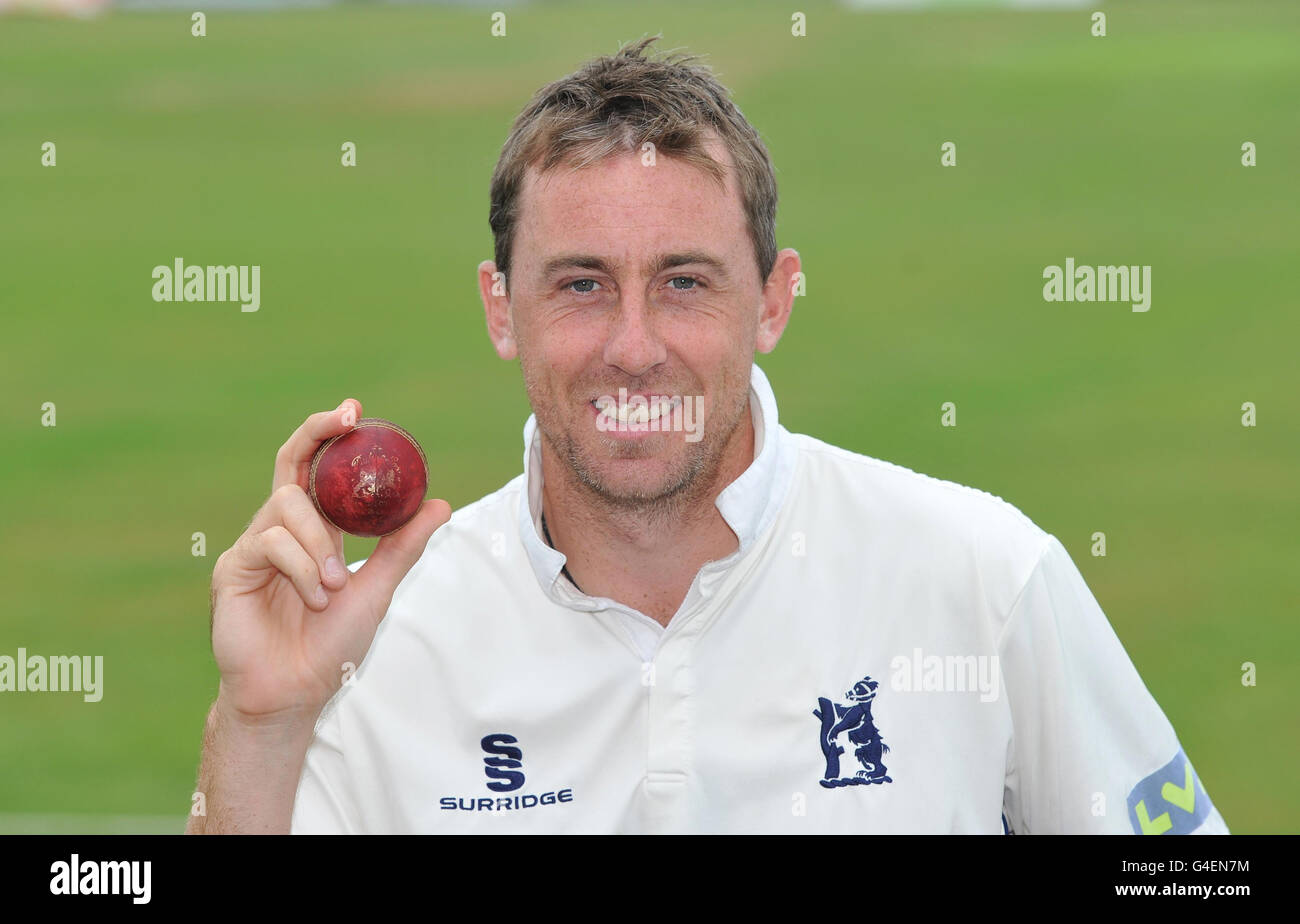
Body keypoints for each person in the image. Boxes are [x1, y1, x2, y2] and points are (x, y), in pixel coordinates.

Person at [186, 36, 1228, 834]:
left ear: (772, 302)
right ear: (500, 310)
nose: (633, 348)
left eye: (684, 283)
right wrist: (264, 725)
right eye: (581, 285)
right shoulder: (377, 640)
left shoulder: (980, 577)